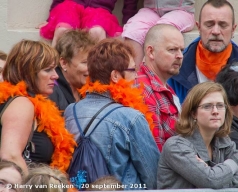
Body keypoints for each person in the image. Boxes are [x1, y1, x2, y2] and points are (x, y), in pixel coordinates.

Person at [64, 38, 159, 189]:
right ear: (115, 76)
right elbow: (153, 177)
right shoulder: (131, 118)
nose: (136, 76)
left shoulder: (71, 111)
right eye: (132, 70)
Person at [168, 0, 238, 103]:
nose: (216, 31)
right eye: (209, 24)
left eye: (223, 25)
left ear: (233, 29)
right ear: (199, 27)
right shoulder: (174, 68)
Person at [157, 81, 238, 189]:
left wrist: (218, 178)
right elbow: (211, 180)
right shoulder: (176, 146)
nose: (215, 111)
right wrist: (232, 164)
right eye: (207, 106)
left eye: (220, 105)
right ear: (193, 113)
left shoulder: (225, 142)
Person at [0, 40, 76, 175]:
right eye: (48, 70)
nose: (56, 76)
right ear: (27, 72)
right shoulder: (21, 104)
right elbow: (11, 157)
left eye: (55, 68)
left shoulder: (28, 103)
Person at [134, 24, 183, 152]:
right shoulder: (144, 90)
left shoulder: (162, 85)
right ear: (151, 52)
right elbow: (154, 152)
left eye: (181, 50)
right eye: (172, 50)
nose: (180, 56)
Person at [122, 0, 195, 67]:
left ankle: (156, 78)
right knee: (133, 31)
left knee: (162, 31)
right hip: (151, 10)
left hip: (181, 10)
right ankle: (135, 77)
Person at [39, 0, 138, 47]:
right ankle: (54, 72)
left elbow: (130, 4)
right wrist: (51, 19)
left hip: (99, 10)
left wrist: (128, 23)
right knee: (63, 30)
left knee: (97, 32)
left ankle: (97, 78)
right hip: (71, 5)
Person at [49, 30, 95, 111]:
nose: (91, 68)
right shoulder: (51, 90)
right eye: (85, 62)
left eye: (93, 62)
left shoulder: (89, 88)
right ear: (64, 63)